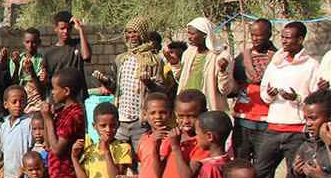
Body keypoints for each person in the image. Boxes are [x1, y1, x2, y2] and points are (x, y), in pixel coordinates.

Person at [256, 21, 320, 178]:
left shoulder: (311, 65)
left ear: (300, 39)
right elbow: (263, 91)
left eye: (288, 37)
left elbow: (316, 97)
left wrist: (297, 97)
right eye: (282, 37)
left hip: (297, 130)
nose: (283, 41)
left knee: (296, 174)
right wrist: (269, 94)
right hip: (274, 127)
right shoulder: (276, 63)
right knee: (261, 172)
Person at [94, 18, 167, 147]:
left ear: (143, 33)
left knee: (142, 158)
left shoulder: (154, 61)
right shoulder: (121, 59)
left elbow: (161, 91)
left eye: (135, 32)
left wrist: (149, 83)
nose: (131, 36)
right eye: (129, 32)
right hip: (121, 121)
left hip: (140, 121)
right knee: (120, 159)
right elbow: (115, 87)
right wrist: (105, 81)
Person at [231, 18, 276, 165]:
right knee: (240, 162)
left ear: (269, 34)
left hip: (267, 119)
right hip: (244, 117)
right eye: (252, 35)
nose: (255, 39)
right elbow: (233, 87)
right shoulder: (242, 58)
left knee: (263, 164)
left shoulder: (278, 59)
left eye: (259, 35)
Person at [175, 17, 233, 112]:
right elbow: (181, 79)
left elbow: (225, 90)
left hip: (208, 109)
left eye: (192, 34)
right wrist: (175, 65)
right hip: (188, 108)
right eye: (188, 33)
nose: (189, 37)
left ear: (205, 35)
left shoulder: (221, 56)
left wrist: (223, 72)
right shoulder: (188, 54)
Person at [42, 11, 92, 103]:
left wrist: (80, 30)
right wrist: (44, 79)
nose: (65, 31)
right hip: (58, 100)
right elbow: (48, 80)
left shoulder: (78, 45)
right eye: (62, 28)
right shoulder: (49, 53)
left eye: (68, 28)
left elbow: (86, 56)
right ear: (55, 28)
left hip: (77, 99)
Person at [15, 28, 48, 108]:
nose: (30, 45)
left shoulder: (42, 61)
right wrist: (16, 66)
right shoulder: (18, 59)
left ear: (39, 42)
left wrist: (32, 72)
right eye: (27, 42)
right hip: (20, 101)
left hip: (36, 102)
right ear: (23, 42)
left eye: (33, 42)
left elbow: (41, 90)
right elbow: (14, 83)